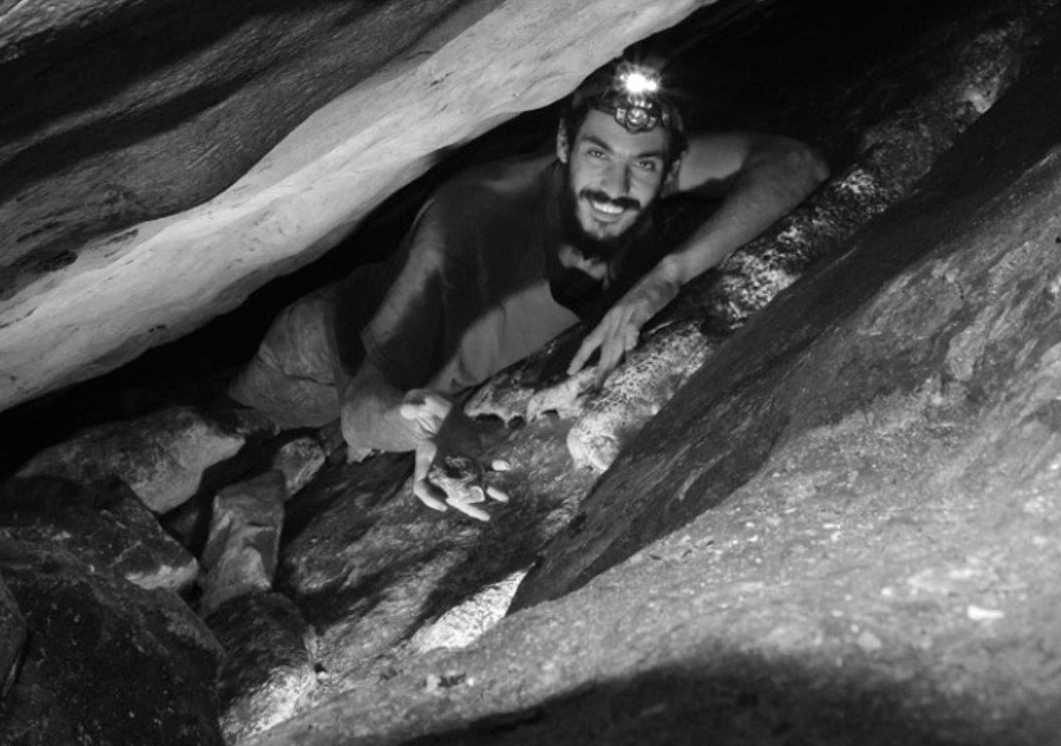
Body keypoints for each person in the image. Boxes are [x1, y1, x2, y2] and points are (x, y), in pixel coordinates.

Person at [228, 56, 828, 519]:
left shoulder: (643, 175)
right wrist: (427, 424)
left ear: (669, 168)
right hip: (319, 346)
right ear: (564, 146)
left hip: (426, 363)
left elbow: (792, 164)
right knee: (232, 439)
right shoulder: (465, 225)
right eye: (598, 154)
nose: (616, 186)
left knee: (296, 462)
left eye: (643, 164)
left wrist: (662, 281)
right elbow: (362, 409)